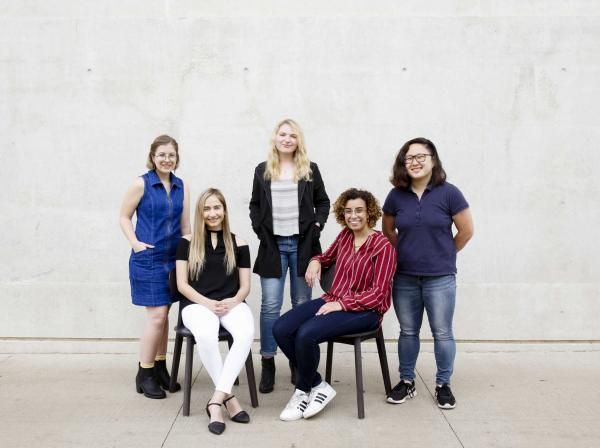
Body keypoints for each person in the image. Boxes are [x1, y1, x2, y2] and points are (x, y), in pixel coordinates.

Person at [273, 188, 396, 421]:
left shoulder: (382, 246)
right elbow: (325, 257)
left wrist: (343, 305)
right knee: (281, 328)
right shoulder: (345, 237)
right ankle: (319, 385)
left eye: (359, 210)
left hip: (366, 311)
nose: (353, 216)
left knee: (306, 334)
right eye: (348, 211)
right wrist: (314, 261)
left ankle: (302, 390)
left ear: (369, 212)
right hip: (332, 299)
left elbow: (379, 294)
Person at [382, 137, 474, 410]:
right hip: (405, 277)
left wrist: (444, 253)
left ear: (433, 160)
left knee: (442, 333)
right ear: (403, 163)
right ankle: (407, 381)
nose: (416, 161)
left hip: (440, 278)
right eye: (410, 157)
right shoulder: (396, 195)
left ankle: (443, 384)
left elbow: (466, 231)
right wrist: (407, 252)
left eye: (422, 156)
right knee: (408, 331)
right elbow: (388, 231)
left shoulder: (450, 193)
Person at [249, 118, 330, 393]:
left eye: (292, 135)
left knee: (300, 303)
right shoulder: (263, 170)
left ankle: (298, 360)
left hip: (303, 246)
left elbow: (323, 201)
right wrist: (261, 231)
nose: (287, 139)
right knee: (270, 306)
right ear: (275, 138)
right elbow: (255, 206)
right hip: (273, 248)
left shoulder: (310, 169)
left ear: (298, 141)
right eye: (282, 134)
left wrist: (317, 225)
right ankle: (268, 361)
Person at [175, 188, 254, 435]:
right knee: (207, 336)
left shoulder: (239, 243)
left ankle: (215, 400)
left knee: (245, 334)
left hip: (231, 303)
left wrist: (233, 301)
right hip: (197, 305)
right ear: (200, 212)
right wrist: (207, 303)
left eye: (217, 207)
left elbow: (245, 287)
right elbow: (181, 284)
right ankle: (229, 400)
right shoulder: (186, 243)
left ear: (225, 210)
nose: (212, 213)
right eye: (207, 208)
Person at [119, 134, 190, 399]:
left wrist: (189, 255)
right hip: (148, 259)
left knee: (165, 316)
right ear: (152, 157)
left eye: (171, 155)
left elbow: (186, 228)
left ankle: (160, 366)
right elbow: (124, 216)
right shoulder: (141, 184)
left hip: (173, 260)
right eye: (162, 154)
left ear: (177, 158)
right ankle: (144, 372)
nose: (166, 159)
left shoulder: (181, 186)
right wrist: (136, 243)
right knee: (157, 316)